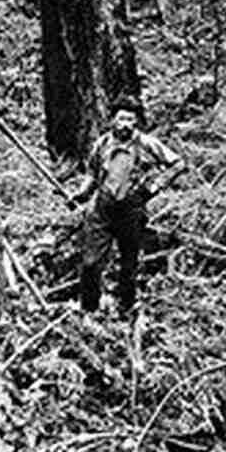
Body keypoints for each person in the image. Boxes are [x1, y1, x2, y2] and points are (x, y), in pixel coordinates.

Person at [69, 95, 183, 315]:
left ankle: (126, 309)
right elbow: (92, 174)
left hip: (131, 210)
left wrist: (153, 187)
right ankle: (88, 310)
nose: (125, 124)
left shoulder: (146, 143)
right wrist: (81, 194)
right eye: (121, 119)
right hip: (102, 209)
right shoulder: (102, 143)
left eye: (130, 120)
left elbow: (177, 164)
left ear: (136, 122)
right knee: (91, 262)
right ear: (113, 119)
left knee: (128, 263)